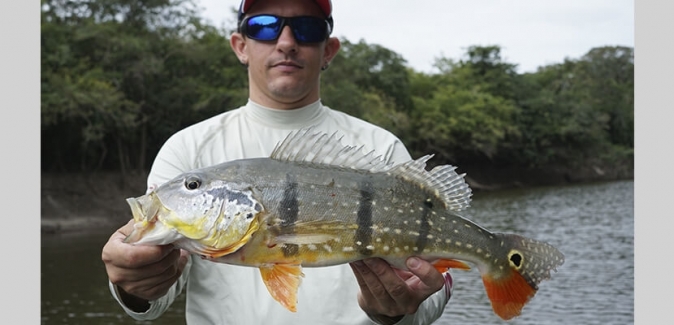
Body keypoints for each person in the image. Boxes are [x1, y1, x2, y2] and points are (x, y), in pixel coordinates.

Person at [101, 0, 454, 324]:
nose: (286, 41)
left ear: (328, 50)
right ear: (241, 45)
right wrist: (134, 286)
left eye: (307, 28)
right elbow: (156, 300)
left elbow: (437, 283)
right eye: (265, 26)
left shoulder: (381, 148)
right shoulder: (187, 149)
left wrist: (398, 312)